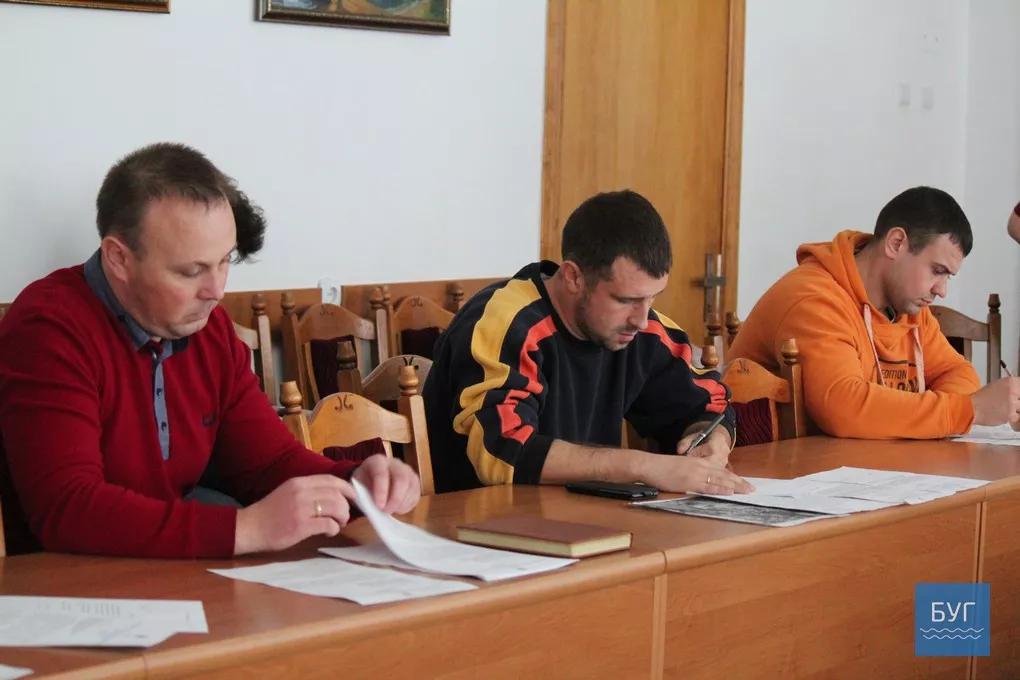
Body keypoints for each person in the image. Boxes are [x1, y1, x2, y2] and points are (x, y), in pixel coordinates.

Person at [0, 142, 420, 558]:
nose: (216, 290)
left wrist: (356, 484)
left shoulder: (208, 330)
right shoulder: (48, 328)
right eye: (191, 271)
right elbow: (69, 509)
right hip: (62, 584)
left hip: (162, 573)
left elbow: (266, 463)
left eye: (225, 261)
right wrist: (246, 529)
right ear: (118, 259)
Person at [422, 189, 753, 495]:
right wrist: (642, 466)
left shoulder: (640, 329)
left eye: (653, 298)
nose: (641, 319)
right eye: (626, 300)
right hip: (476, 524)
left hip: (583, 521)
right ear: (573, 277)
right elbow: (502, 450)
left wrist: (712, 438)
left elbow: (709, 404)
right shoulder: (505, 322)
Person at [729, 186, 1020, 440]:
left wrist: (915, 415)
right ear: (896, 243)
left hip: (857, 468)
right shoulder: (814, 298)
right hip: (768, 473)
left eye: (948, 277)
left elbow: (958, 372)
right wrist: (968, 410)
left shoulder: (908, 307)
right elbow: (844, 409)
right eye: (936, 270)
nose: (941, 290)